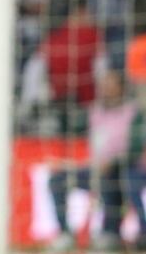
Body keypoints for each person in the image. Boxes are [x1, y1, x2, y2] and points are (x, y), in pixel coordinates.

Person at [47, 70, 138, 252]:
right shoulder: (94, 112)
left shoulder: (133, 112)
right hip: (95, 168)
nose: (106, 89)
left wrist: (113, 162)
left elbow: (136, 147)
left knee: (108, 178)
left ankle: (110, 233)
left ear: (122, 87)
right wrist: (69, 164)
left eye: (111, 84)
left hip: (122, 168)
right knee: (57, 179)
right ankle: (65, 233)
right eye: (103, 85)